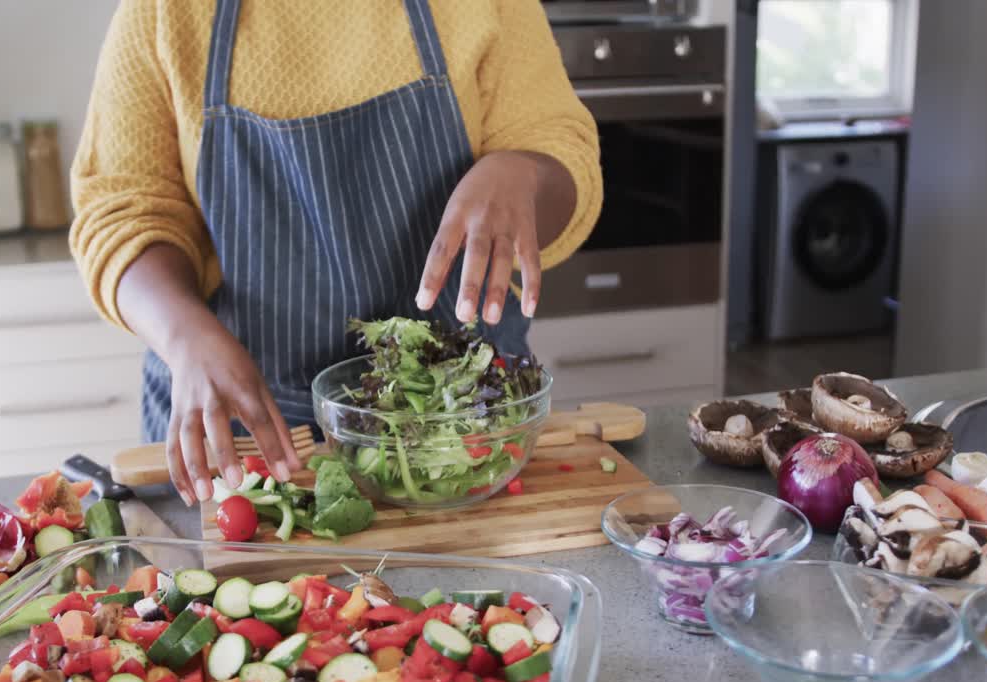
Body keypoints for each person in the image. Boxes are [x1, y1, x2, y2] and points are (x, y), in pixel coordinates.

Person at [69, 0, 602, 506]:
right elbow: (121, 209)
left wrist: (523, 173)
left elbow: (559, 147)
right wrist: (183, 335)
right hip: (243, 442)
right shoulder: (166, 11)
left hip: (459, 436)